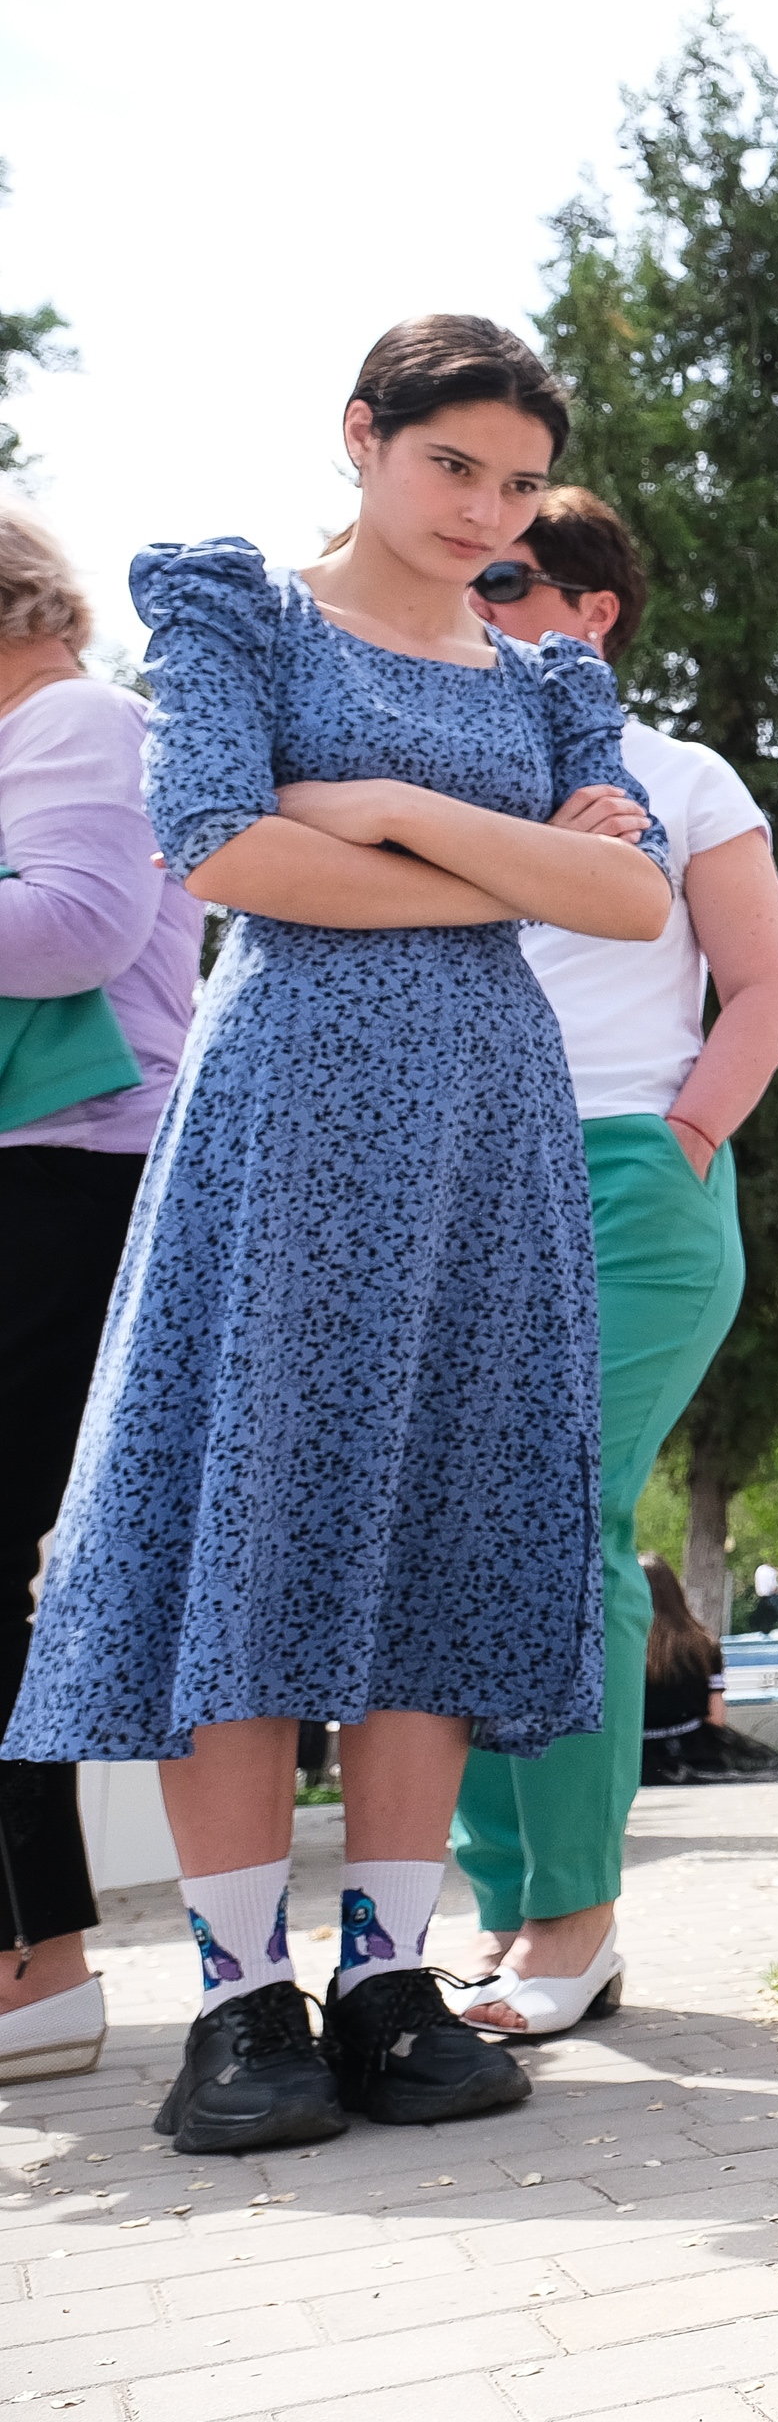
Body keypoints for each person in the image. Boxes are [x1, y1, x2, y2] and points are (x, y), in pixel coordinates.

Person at [2, 316, 671, 2154]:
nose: (483, 508)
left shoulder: (548, 675)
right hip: (286, 1115)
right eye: (451, 463)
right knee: (258, 1512)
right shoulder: (241, 614)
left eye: (519, 482)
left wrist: (377, 807)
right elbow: (221, 845)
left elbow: (627, 897)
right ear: (363, 438)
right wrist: (500, 860)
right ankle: (239, 1999)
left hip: (488, 1130)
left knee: (438, 1523)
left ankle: (388, 1974)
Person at [447, 485, 778, 2037]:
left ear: (591, 611)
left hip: (631, 1181)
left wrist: (687, 1140)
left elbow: (767, 987)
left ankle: (573, 1922)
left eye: (508, 575)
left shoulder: (681, 774)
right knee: (463, 1535)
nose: (479, 594)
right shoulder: (443, 763)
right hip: (466, 1182)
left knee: (555, 1512)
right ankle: (510, 1909)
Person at [0, 507, 205, 2086]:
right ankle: (39, 1955)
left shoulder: (75, 715)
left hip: (72, 1177)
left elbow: (81, 925)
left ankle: (41, 1962)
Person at [635, 1559, 778, 1788]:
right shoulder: (704, 1645)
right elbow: (716, 1716)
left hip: (633, 1756)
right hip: (691, 1752)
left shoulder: (622, 1648)